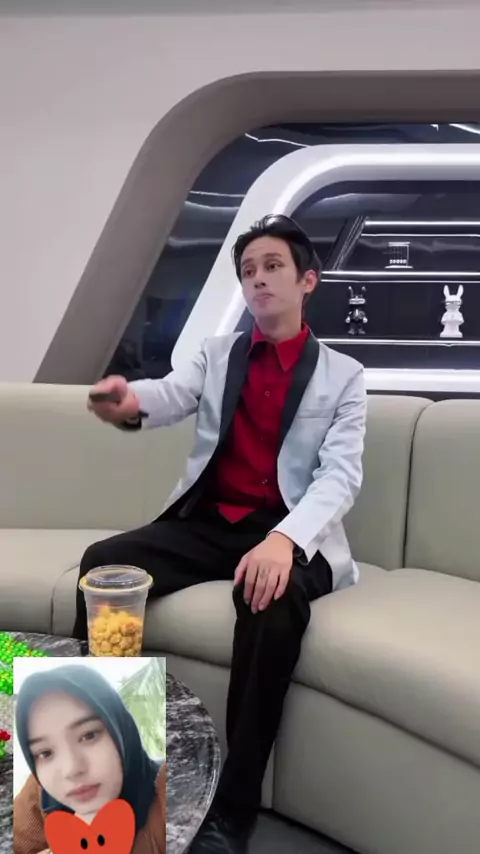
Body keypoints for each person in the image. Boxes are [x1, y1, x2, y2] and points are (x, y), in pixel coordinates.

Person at [75, 214, 367, 853]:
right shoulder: (218, 354)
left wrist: (286, 540)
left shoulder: (343, 375)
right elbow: (169, 395)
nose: (258, 279)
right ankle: (110, 767)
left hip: (291, 531)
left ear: (307, 280)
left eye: (272, 267)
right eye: (249, 270)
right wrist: (129, 403)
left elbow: (340, 477)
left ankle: (233, 810)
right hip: (212, 523)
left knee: (270, 602)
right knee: (103, 568)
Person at [13, 665, 166, 854]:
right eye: (45, 753)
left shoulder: (170, 792)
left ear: (121, 730)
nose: (71, 769)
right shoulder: (41, 793)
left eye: (89, 735)